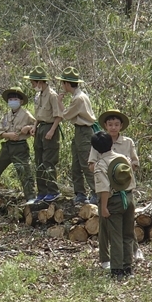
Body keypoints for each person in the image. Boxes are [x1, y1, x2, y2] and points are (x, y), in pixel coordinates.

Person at [88, 109, 141, 268]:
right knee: (105, 227)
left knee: (126, 228)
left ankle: (129, 256)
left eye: (116, 124)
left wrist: (121, 172)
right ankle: (106, 259)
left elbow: (134, 163)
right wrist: (106, 171)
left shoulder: (127, 142)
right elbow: (91, 164)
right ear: (105, 125)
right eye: (110, 124)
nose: (113, 127)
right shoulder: (99, 141)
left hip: (124, 190)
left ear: (121, 126)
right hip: (106, 192)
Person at [91, 131, 136, 280]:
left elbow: (104, 189)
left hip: (114, 201)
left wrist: (104, 207)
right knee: (128, 234)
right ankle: (128, 266)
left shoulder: (101, 164)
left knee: (116, 235)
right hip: (128, 197)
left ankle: (117, 269)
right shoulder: (122, 158)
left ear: (96, 149)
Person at [0, 87, 36, 202]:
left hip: (20, 146)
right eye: (10, 99)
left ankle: (30, 197)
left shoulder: (26, 114)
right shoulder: (6, 116)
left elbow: (36, 126)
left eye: (15, 99)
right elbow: (0, 132)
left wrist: (28, 127)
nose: (12, 101)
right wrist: (9, 135)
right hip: (7, 146)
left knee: (24, 172)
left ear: (21, 101)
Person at [57, 67, 97, 205]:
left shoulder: (79, 98)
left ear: (67, 84)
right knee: (76, 163)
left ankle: (96, 193)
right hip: (79, 131)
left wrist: (60, 103)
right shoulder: (78, 97)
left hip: (84, 132)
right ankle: (80, 193)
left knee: (87, 162)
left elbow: (66, 115)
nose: (63, 86)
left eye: (63, 83)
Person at [24, 66, 63, 202]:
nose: (32, 85)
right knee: (39, 161)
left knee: (48, 161)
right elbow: (39, 115)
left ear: (40, 82)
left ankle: (53, 191)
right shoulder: (38, 95)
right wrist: (34, 127)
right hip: (40, 128)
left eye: (33, 82)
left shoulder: (52, 96)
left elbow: (58, 116)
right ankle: (42, 191)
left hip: (50, 128)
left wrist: (52, 131)